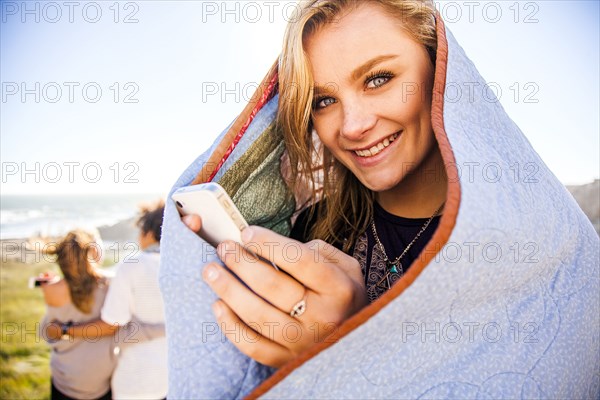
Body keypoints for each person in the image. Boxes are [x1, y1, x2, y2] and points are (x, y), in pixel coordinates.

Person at [162, 0, 599, 398]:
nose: (351, 126)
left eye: (378, 78)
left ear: (441, 70)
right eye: (324, 100)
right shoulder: (312, 236)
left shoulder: (535, 247)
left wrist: (346, 352)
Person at [48, 202, 168, 399]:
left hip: (134, 380)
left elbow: (112, 324)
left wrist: (64, 330)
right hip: (170, 378)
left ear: (147, 234)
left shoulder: (130, 267)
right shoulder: (185, 266)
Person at [40, 230, 115, 400]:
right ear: (94, 250)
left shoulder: (51, 289)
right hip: (101, 381)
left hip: (65, 379)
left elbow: (49, 331)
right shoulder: (110, 285)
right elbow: (111, 327)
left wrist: (65, 330)